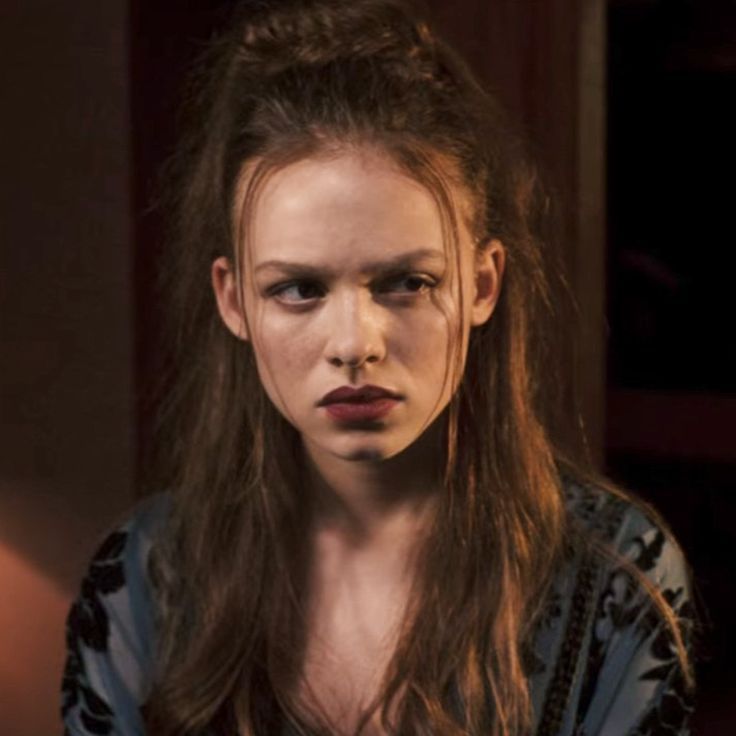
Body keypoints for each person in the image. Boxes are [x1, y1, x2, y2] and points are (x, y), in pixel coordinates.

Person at [60, 1, 696, 734]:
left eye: (407, 283)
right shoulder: (137, 588)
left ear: (483, 284)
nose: (355, 342)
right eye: (298, 289)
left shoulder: (618, 580)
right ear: (234, 302)